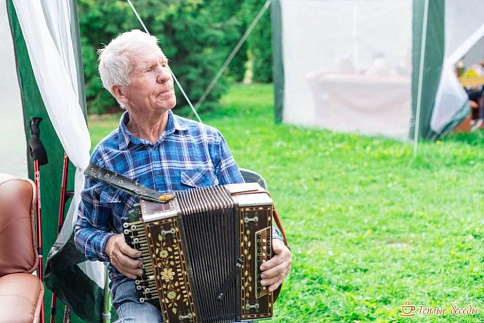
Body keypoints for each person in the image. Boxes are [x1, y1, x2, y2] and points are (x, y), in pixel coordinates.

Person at [74, 30, 292, 322]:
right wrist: (110, 245)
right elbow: (83, 231)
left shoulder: (208, 140)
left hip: (218, 280)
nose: (165, 76)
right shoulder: (105, 158)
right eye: (149, 70)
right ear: (120, 92)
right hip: (142, 291)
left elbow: (250, 209)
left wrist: (277, 245)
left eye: (164, 64)